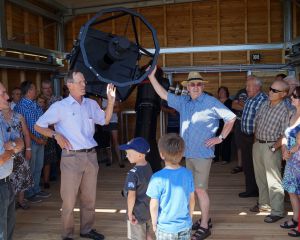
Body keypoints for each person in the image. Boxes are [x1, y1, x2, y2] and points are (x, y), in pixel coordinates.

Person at [148, 67, 236, 240]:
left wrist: (221, 138)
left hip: (203, 154)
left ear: (202, 86)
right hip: (187, 154)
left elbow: (231, 118)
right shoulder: (183, 102)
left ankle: (204, 225)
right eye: (192, 84)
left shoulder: (210, 102)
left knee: (200, 190)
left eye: (198, 84)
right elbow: (163, 94)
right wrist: (151, 77)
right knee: (195, 190)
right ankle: (206, 219)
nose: (195, 87)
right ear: (187, 87)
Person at [34, 70, 116, 240]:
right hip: (71, 158)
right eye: (79, 82)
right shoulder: (59, 107)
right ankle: (67, 234)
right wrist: (56, 135)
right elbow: (38, 126)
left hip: (90, 157)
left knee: (89, 199)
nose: (83, 85)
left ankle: (87, 230)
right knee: (69, 201)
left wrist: (111, 100)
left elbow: (105, 120)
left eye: (84, 82)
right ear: (69, 85)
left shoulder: (91, 104)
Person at [251, 79, 290, 223]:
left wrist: (273, 147)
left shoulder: (286, 110)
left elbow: (286, 133)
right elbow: (257, 122)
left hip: (272, 147)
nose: (270, 92)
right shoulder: (264, 104)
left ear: (284, 94)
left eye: (275, 91)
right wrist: (255, 142)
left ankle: (278, 210)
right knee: (260, 178)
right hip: (258, 145)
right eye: (270, 88)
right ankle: (265, 205)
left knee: (273, 180)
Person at [146, 133, 195, 240]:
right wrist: (190, 218)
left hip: (165, 228)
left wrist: (154, 224)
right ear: (182, 154)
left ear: (162, 155)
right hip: (185, 225)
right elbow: (192, 200)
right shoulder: (188, 174)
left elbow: (153, 205)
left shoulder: (157, 178)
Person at [14, 81, 49, 203]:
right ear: (29, 91)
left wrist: (44, 137)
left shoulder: (35, 104)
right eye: (34, 89)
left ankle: (36, 189)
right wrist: (37, 139)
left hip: (40, 140)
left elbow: (42, 121)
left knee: (38, 166)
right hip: (31, 142)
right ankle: (29, 193)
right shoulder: (20, 107)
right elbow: (25, 128)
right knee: (30, 168)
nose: (36, 91)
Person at [0, 81, 24, 240]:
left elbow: (19, 141)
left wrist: (12, 147)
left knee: (9, 225)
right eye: (2, 94)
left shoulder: (2, 119)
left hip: (7, 181)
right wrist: (13, 150)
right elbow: (0, 159)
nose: (8, 97)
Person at [239, 75, 267, 198]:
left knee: (257, 166)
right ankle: (251, 190)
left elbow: (262, 122)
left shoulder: (263, 99)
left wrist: (256, 140)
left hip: (255, 138)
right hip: (245, 136)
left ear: (257, 86)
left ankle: (260, 192)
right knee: (247, 164)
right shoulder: (250, 98)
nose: (246, 88)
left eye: (248, 86)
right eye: (246, 85)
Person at [1, 103, 33, 210]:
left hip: (19, 151)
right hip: (5, 154)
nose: (7, 103)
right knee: (9, 179)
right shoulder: (1, 118)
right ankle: (11, 203)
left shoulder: (18, 116)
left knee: (22, 175)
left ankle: (21, 200)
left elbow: (26, 134)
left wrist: (28, 149)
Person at [120, 137, 153, 240]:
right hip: (148, 209)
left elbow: (131, 196)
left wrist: (130, 213)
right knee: (146, 232)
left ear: (139, 155)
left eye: (129, 153)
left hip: (137, 212)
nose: (126, 155)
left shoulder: (132, 174)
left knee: (137, 237)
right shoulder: (148, 166)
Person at [280, 86, 300, 237]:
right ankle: (295, 218)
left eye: (295, 96)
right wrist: (285, 148)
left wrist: (290, 151)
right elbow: (286, 135)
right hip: (290, 160)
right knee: (292, 191)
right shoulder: (293, 113)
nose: (291, 98)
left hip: (298, 160)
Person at [101, 98, 124, 167]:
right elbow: (99, 110)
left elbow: (118, 109)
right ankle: (109, 159)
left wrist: (106, 109)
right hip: (104, 121)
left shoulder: (114, 97)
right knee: (107, 141)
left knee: (115, 141)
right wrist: (111, 109)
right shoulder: (101, 98)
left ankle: (120, 160)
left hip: (113, 121)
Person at [214, 86, 233, 164]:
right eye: (220, 91)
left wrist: (232, 127)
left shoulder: (230, 102)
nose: (221, 93)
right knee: (215, 141)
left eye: (223, 91)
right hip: (216, 124)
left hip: (227, 124)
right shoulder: (216, 101)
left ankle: (225, 159)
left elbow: (233, 114)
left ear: (226, 93)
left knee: (226, 142)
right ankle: (216, 158)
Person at [231, 87, 247, 173]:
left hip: (250, 123)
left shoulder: (258, 94)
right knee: (239, 144)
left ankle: (248, 165)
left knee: (250, 145)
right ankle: (239, 165)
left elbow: (256, 109)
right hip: (238, 122)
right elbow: (233, 105)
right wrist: (247, 107)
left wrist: (241, 104)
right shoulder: (241, 91)